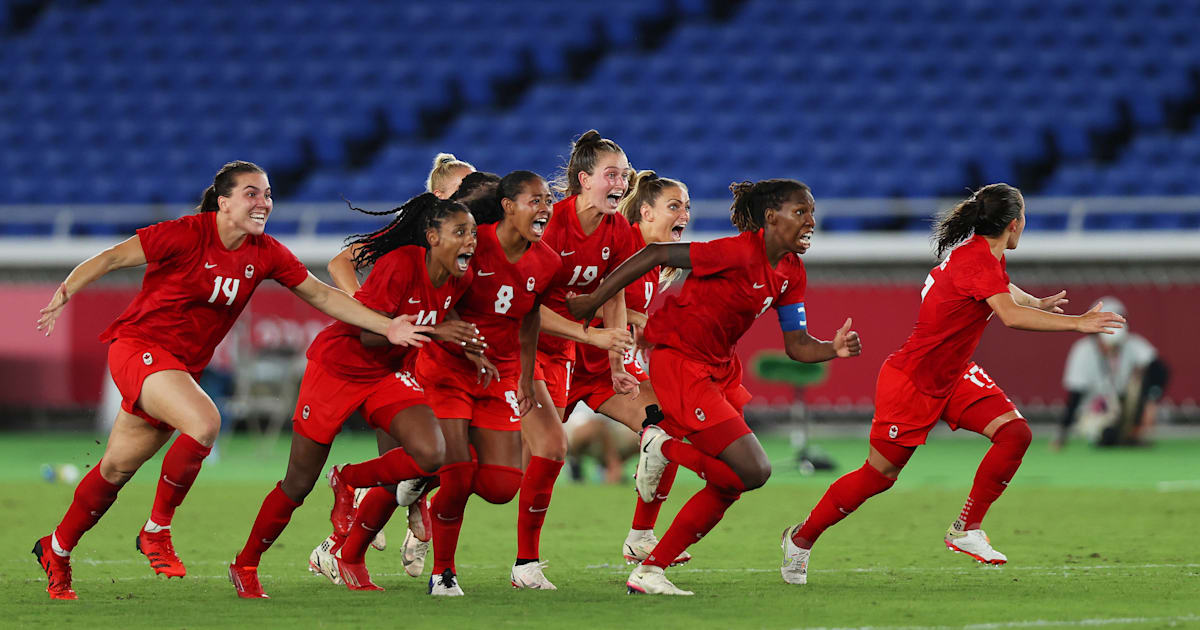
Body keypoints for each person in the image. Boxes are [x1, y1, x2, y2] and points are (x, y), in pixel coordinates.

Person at [31, 161, 428, 601]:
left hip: (176, 368)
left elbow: (320, 294)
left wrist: (387, 326)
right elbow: (111, 257)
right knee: (204, 423)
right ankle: (156, 531)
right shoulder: (185, 233)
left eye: (268, 194)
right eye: (252, 194)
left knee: (115, 469)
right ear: (224, 203)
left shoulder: (266, 252)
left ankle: (57, 548)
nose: (264, 203)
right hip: (136, 347)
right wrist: (64, 293)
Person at [778, 183, 1126, 587]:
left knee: (1014, 433)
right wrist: (1078, 323)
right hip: (913, 380)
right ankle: (800, 540)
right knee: (879, 476)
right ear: (1014, 225)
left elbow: (1004, 293)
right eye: (1024, 218)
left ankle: (966, 528)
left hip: (954, 374)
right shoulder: (978, 261)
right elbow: (1009, 316)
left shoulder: (980, 257)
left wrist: (1037, 303)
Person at [568, 178, 863, 595]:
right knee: (755, 470)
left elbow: (797, 345)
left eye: (811, 212)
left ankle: (650, 571)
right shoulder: (736, 251)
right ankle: (662, 446)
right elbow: (655, 254)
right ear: (770, 218)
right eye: (801, 212)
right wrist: (593, 299)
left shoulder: (791, 272)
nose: (811, 221)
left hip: (720, 369)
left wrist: (832, 348)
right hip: (682, 363)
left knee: (730, 482)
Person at [229, 192, 488, 598]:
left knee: (432, 453)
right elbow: (368, 333)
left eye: (473, 232)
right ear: (433, 237)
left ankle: (348, 482)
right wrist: (433, 331)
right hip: (338, 369)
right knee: (297, 482)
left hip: (384, 375)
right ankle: (245, 563)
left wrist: (471, 350)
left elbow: (444, 312)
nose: (471, 240)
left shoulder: (462, 277)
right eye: (460, 231)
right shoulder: (400, 265)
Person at [324, 166, 488, 570]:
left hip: (437, 349)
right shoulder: (413, 236)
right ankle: (343, 540)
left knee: (442, 457)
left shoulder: (470, 237)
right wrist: (369, 313)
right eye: (457, 190)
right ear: (436, 196)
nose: (465, 198)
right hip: (400, 351)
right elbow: (340, 261)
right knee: (411, 463)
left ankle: (396, 513)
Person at [413, 170, 565, 596]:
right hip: (449, 370)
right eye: (535, 200)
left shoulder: (549, 261)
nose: (544, 208)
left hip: (500, 375)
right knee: (459, 474)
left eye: (548, 200)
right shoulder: (471, 243)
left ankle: (420, 479)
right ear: (508, 205)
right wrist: (466, 343)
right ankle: (443, 573)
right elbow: (435, 295)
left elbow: (532, 316)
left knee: (501, 487)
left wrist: (526, 375)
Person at [512, 130, 649, 589]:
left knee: (660, 423)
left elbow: (613, 294)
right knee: (496, 473)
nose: (621, 182)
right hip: (525, 349)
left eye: (625, 175)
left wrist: (615, 362)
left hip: (572, 356)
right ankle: (405, 494)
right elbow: (527, 308)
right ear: (584, 179)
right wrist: (591, 337)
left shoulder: (621, 231)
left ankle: (641, 537)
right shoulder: (550, 225)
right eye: (612, 174)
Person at [1055, 296, 1168, 448]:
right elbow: (1075, 396)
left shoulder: (1132, 345)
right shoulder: (1082, 351)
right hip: (1095, 407)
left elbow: (1160, 370)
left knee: (1137, 382)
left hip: (1122, 406)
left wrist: (1151, 399)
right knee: (1104, 434)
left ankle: (1132, 432)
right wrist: (1062, 434)